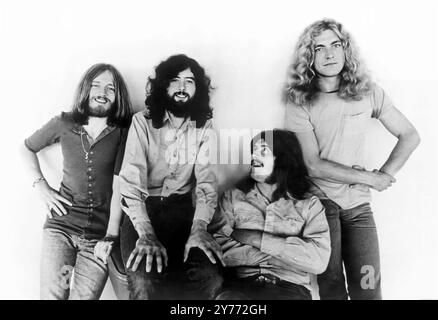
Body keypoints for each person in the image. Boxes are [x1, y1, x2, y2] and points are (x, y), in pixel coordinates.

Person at [284, 19, 421, 299]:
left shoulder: (368, 92)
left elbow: (410, 135)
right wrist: (369, 178)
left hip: (358, 205)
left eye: (335, 45)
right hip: (320, 204)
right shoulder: (299, 100)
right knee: (331, 286)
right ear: (309, 57)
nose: (329, 54)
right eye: (319, 48)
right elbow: (313, 164)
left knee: (369, 285)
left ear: (346, 50)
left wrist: (384, 175)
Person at [21, 63, 132, 300]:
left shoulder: (124, 132)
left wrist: (110, 236)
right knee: (54, 295)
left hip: (98, 239)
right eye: (96, 85)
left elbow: (119, 185)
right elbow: (26, 148)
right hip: (60, 229)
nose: (102, 92)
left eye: (110, 88)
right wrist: (41, 186)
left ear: (117, 96)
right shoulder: (65, 123)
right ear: (86, 89)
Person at [118, 54, 223, 300]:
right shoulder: (141, 122)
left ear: (198, 89)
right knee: (144, 279)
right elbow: (131, 182)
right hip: (143, 212)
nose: (182, 88)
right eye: (175, 80)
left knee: (210, 276)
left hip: (184, 212)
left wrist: (199, 228)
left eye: (189, 81)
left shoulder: (205, 127)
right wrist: (146, 233)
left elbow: (207, 183)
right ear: (163, 85)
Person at [214, 129, 330, 300]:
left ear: (283, 158)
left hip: (291, 289)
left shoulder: (309, 204)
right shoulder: (232, 196)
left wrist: (254, 239)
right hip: (240, 287)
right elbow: (219, 249)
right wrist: (286, 255)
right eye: (253, 151)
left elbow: (318, 261)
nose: (254, 156)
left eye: (262, 151)